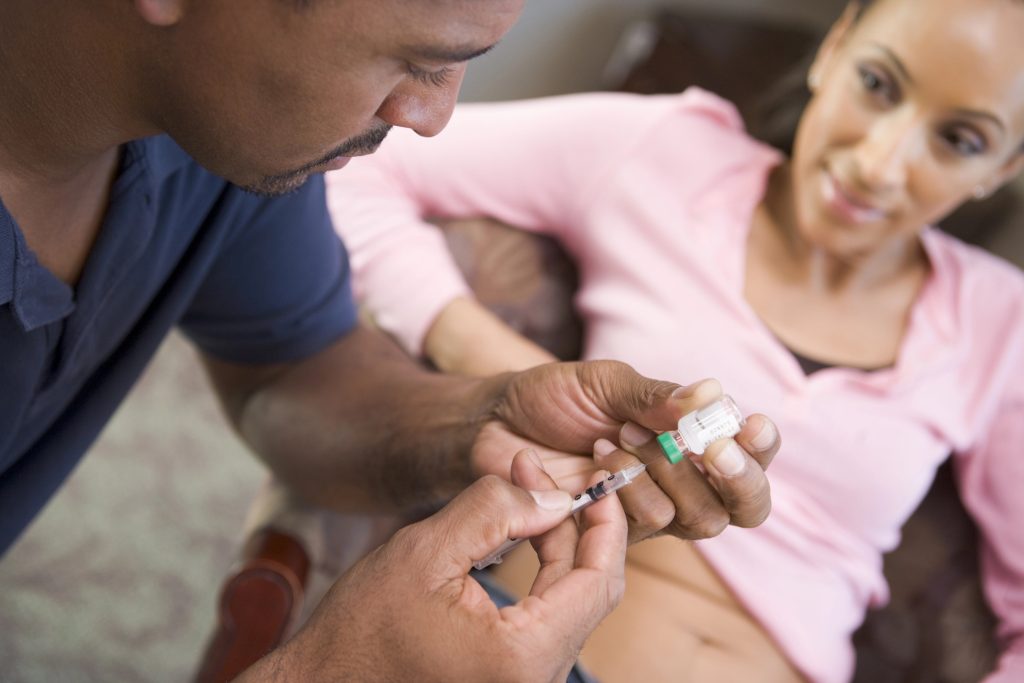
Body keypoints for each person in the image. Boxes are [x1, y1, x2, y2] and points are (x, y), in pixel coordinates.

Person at [0, 0, 783, 679]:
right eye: (419, 62)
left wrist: (486, 421)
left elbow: (291, 369)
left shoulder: (214, 134)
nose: (433, 118)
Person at [327, 0, 1024, 680]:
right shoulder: (666, 154)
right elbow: (361, 164)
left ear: (1003, 168)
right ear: (835, 46)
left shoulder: (1001, 324)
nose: (878, 162)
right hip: (535, 656)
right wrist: (488, 361)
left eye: (960, 140)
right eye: (877, 83)